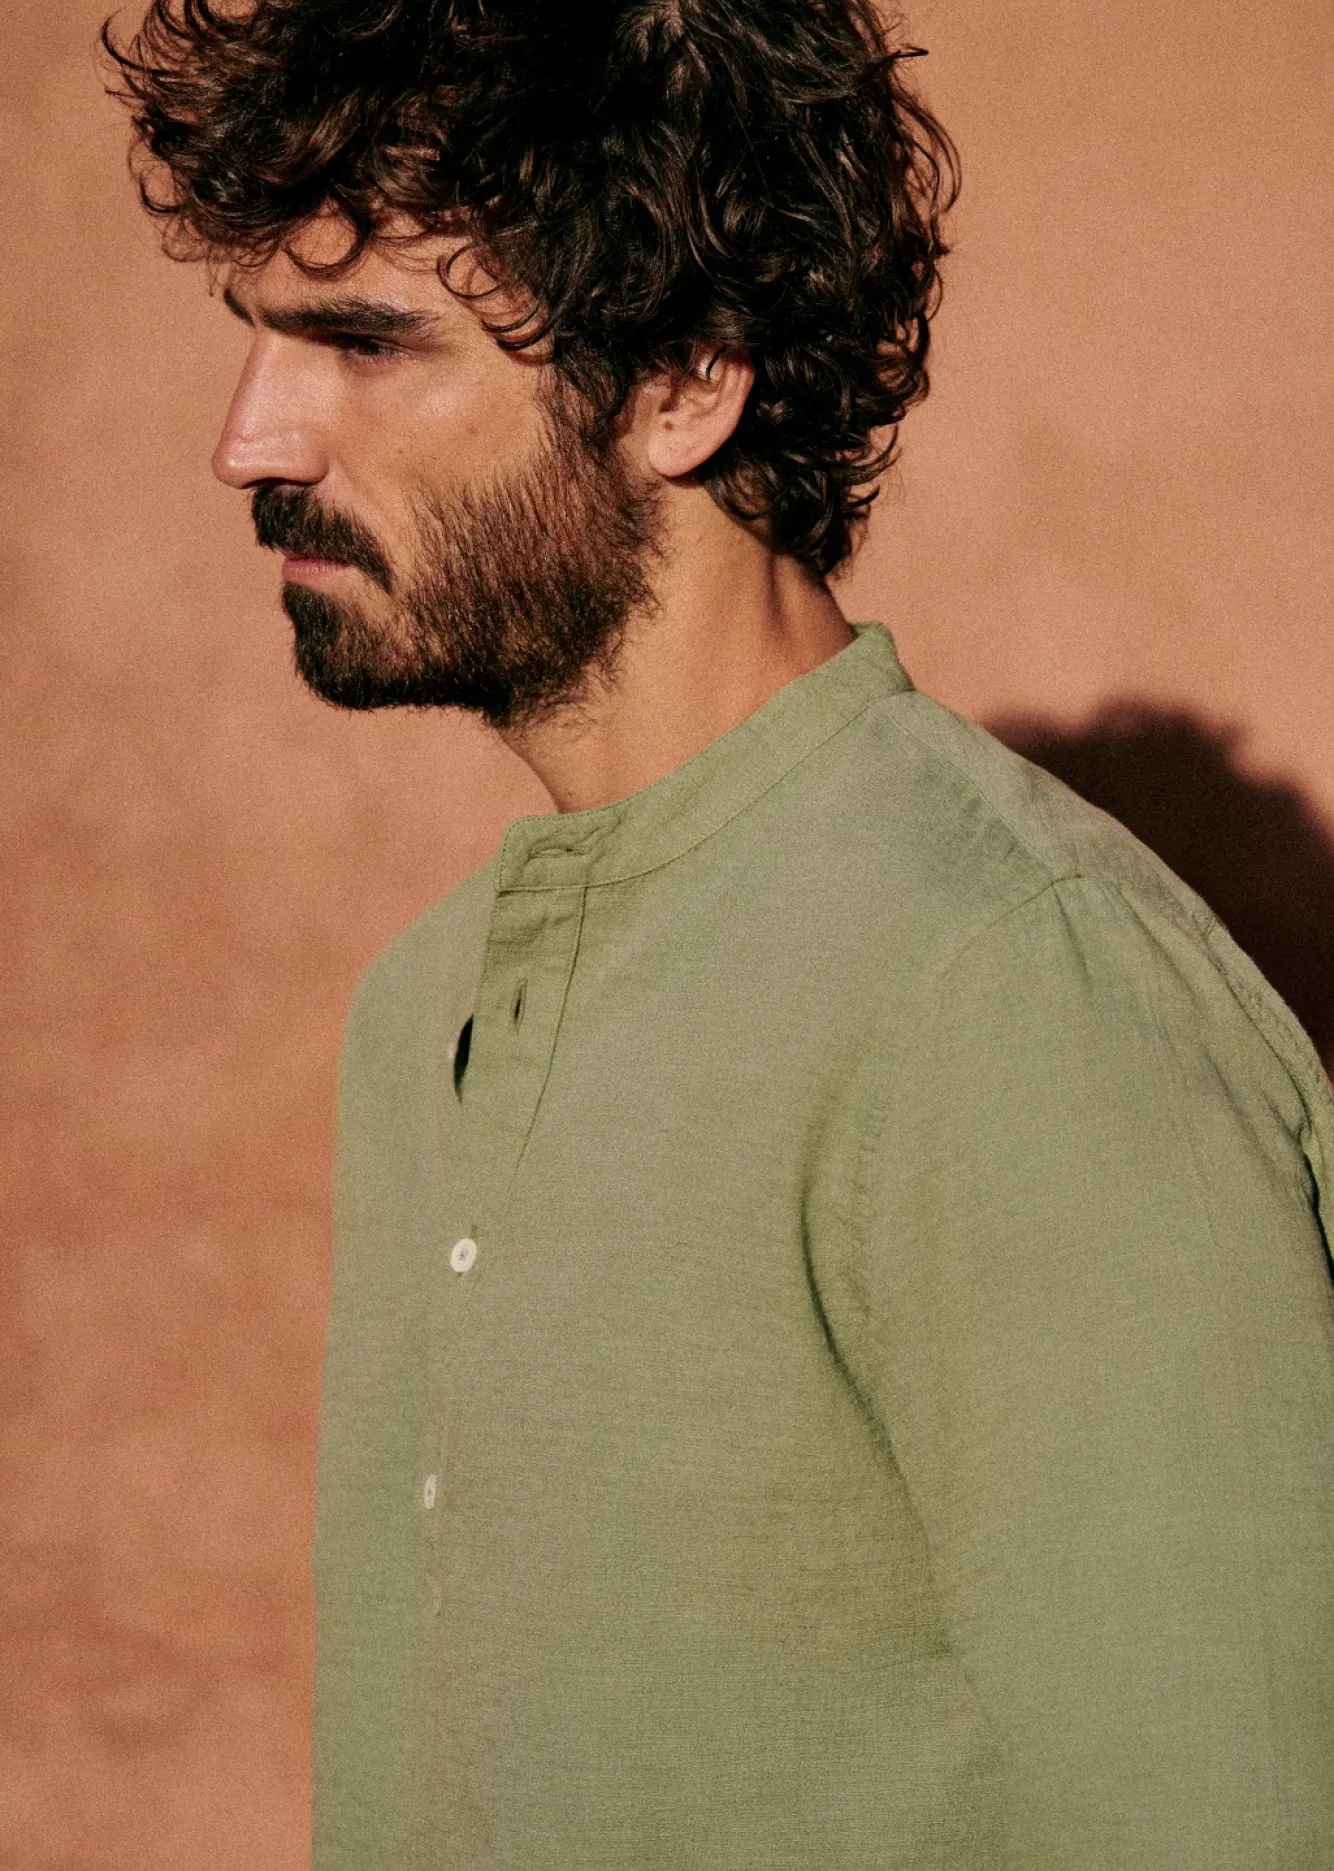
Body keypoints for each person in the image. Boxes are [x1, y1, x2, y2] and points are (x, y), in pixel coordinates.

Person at [104, 1, 1334, 1865]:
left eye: (361, 340)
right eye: (254, 335)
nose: (247, 440)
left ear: (684, 379)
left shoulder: (1013, 990)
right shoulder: (426, 1004)